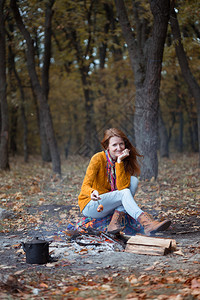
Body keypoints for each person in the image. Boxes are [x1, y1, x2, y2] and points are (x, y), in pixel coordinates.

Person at [78, 128, 171, 236]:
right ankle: (147, 223)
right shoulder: (98, 158)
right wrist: (92, 192)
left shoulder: (124, 160)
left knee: (133, 181)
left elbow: (122, 187)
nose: (119, 148)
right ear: (107, 146)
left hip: (109, 205)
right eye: (114, 145)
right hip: (92, 205)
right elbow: (85, 185)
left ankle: (115, 222)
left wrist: (119, 162)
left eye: (121, 144)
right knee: (125, 192)